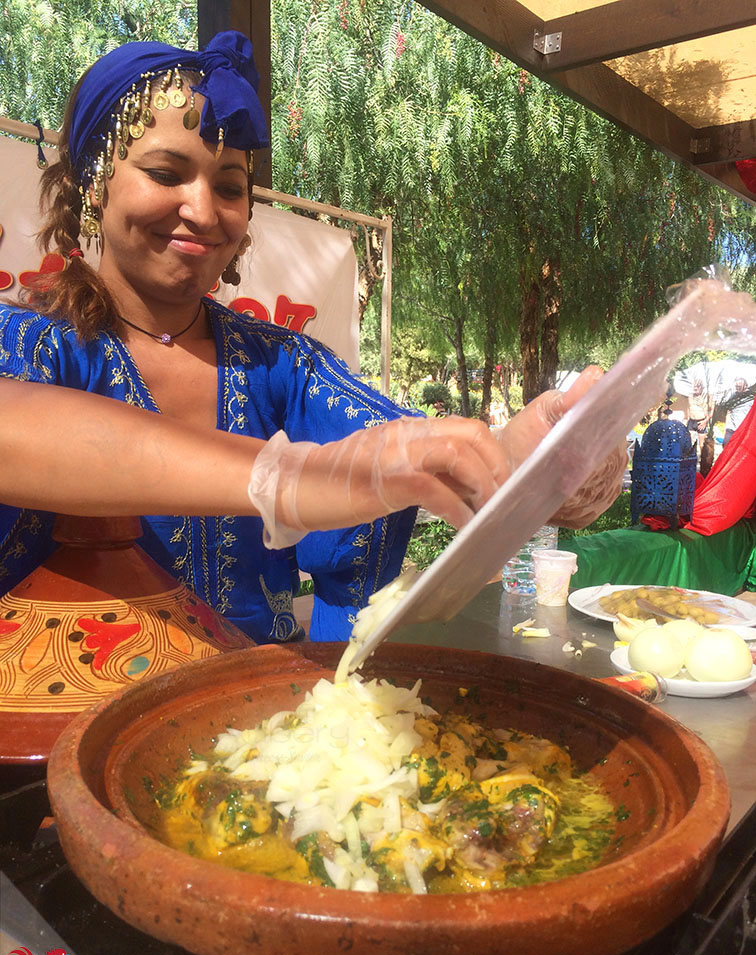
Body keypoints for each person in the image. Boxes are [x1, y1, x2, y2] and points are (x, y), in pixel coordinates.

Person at [0, 31, 625, 643]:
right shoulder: (25, 347)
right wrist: (286, 479)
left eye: (229, 186)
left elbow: (393, 453)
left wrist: (520, 463)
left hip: (259, 724)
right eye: (166, 172)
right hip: (61, 729)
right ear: (91, 184)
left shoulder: (279, 364)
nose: (203, 209)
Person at [723, 377, 753, 447]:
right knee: (725, 445)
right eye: (736, 386)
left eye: (739, 386)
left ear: (745, 386)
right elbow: (729, 412)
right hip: (731, 428)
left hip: (744, 429)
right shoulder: (733, 396)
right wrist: (726, 426)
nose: (737, 388)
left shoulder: (751, 398)